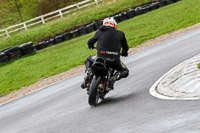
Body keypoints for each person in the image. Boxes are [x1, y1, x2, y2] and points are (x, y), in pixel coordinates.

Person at [81, 17, 129, 90]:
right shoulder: (121, 34)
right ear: (114, 24)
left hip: (100, 57)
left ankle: (88, 71)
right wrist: (124, 53)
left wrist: (91, 45)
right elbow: (125, 47)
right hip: (114, 59)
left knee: (88, 59)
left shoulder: (99, 32)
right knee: (125, 71)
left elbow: (90, 42)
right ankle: (113, 78)